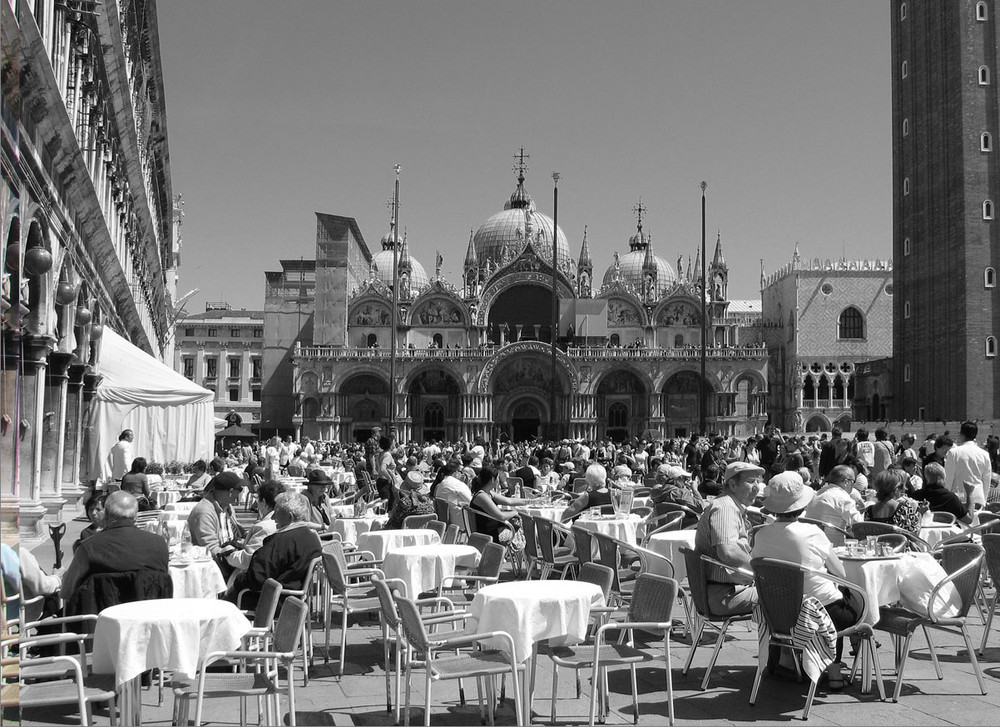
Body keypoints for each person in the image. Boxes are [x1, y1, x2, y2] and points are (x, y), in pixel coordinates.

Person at [752, 472, 859, 688]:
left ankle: (795, 662)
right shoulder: (811, 532)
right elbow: (840, 573)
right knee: (845, 599)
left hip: (779, 613)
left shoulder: (761, 535)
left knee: (827, 601)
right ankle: (836, 672)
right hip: (818, 613)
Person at [60, 491, 170, 605]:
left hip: (100, 620)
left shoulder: (89, 547)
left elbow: (66, 592)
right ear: (136, 516)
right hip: (146, 617)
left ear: (106, 514)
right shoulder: (159, 544)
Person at [227, 492, 322, 608]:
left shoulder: (280, 541)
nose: (272, 517)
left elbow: (256, 578)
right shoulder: (312, 538)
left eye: (276, 512)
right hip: (296, 599)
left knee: (224, 603)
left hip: (272, 601)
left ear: (290, 517)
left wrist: (237, 580)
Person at [693, 461, 763, 616]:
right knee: (791, 597)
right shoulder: (726, 508)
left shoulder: (729, 506)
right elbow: (728, 552)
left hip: (722, 591)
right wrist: (761, 569)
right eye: (751, 481)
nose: (757, 487)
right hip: (725, 595)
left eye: (758, 481)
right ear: (732, 485)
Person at [187, 472, 247, 579]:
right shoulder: (204, 512)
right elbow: (211, 550)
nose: (239, 496)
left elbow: (236, 533)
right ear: (231, 492)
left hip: (230, 561)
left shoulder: (227, 508)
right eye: (239, 491)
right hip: (215, 570)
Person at [226, 479, 285, 574]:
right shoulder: (286, 522)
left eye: (258, 500)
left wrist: (228, 552)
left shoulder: (263, 527)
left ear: (264, 502)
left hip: (262, 578)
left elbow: (248, 560)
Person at [803, 464, 864, 545]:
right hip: (833, 548)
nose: (853, 485)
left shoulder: (817, 494)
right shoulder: (843, 498)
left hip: (810, 543)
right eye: (853, 481)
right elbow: (860, 526)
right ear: (846, 482)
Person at [944, 420, 991, 511]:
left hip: (958, 498)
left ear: (961, 434)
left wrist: (946, 500)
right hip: (978, 498)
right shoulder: (984, 454)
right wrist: (984, 499)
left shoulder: (953, 453)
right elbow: (986, 479)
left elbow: (948, 479)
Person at [470, 466, 522, 542]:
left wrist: (530, 501)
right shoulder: (481, 496)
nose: (499, 480)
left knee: (519, 525)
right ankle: (522, 552)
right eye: (497, 478)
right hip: (489, 535)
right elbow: (501, 516)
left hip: (492, 530)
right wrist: (515, 513)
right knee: (521, 528)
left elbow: (509, 501)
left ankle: (517, 553)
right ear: (492, 479)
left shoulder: (487, 493)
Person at [864, 469, 924, 534]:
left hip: (877, 543)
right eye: (901, 487)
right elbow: (913, 534)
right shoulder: (903, 508)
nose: (903, 491)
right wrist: (920, 514)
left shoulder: (868, 511)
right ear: (896, 489)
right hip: (898, 544)